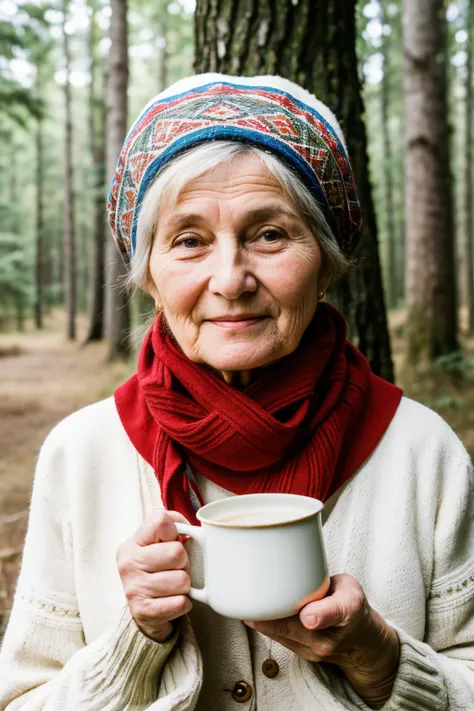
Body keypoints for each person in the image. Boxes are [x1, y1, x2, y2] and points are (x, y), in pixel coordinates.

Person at [0, 73, 473, 711]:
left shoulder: (421, 451)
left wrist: (380, 658)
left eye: (269, 234)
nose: (231, 279)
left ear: (326, 260)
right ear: (150, 276)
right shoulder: (83, 453)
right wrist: (135, 641)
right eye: (189, 241)